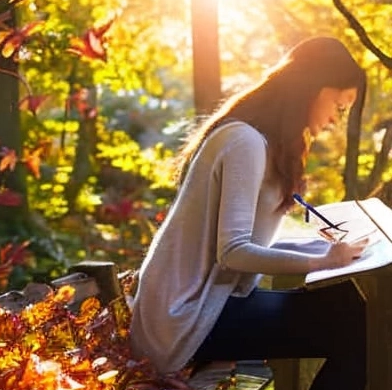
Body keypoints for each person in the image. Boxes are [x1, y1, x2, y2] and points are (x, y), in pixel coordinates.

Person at [129, 36, 368, 390]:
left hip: (209, 306)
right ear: (314, 87)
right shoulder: (245, 142)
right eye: (339, 104)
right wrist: (323, 261)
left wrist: (328, 251)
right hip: (184, 320)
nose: (337, 119)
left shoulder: (261, 141)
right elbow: (233, 253)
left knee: (352, 308)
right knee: (355, 324)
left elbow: (251, 241)